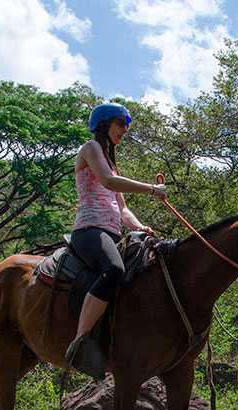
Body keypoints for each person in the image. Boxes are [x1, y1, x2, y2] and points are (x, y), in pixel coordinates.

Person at [65, 102, 167, 377]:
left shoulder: (111, 162)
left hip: (112, 232)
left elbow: (122, 209)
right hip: (89, 230)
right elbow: (108, 182)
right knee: (114, 270)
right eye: (121, 123)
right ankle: (80, 341)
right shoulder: (90, 148)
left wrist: (140, 226)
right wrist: (151, 189)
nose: (125, 129)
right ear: (104, 124)